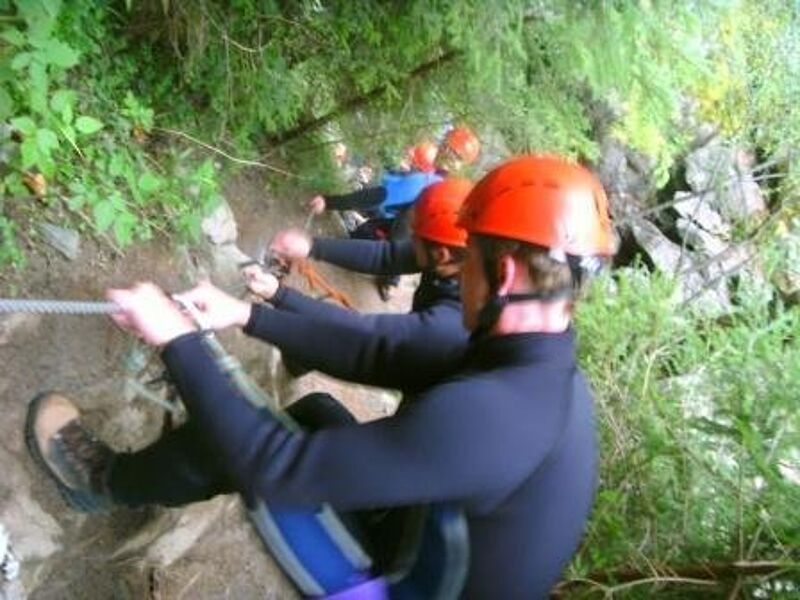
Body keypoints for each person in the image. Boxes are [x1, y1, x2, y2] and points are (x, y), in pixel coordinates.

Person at [27, 155, 615, 598]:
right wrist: (247, 314)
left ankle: (102, 481)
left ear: (505, 273)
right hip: (412, 543)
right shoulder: (532, 361)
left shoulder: (497, 418)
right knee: (313, 417)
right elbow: (378, 356)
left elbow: (279, 470)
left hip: (382, 584)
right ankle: (150, 481)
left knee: (247, 443)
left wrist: (178, 340)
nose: (459, 277)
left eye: (472, 258)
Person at [242, 177, 473, 388]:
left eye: (415, 236)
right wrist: (312, 246)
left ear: (442, 255)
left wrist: (271, 299)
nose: (410, 239)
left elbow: (363, 339)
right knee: (315, 348)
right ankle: (298, 360)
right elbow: (388, 257)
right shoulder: (461, 256)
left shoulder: (454, 324)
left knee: (318, 408)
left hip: (427, 398)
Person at [310, 125, 481, 300]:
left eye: (449, 149)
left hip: (407, 245)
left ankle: (389, 274)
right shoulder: (449, 186)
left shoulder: (427, 182)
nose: (444, 151)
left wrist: (329, 202)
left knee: (363, 234)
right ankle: (390, 279)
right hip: (427, 253)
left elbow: (377, 196)